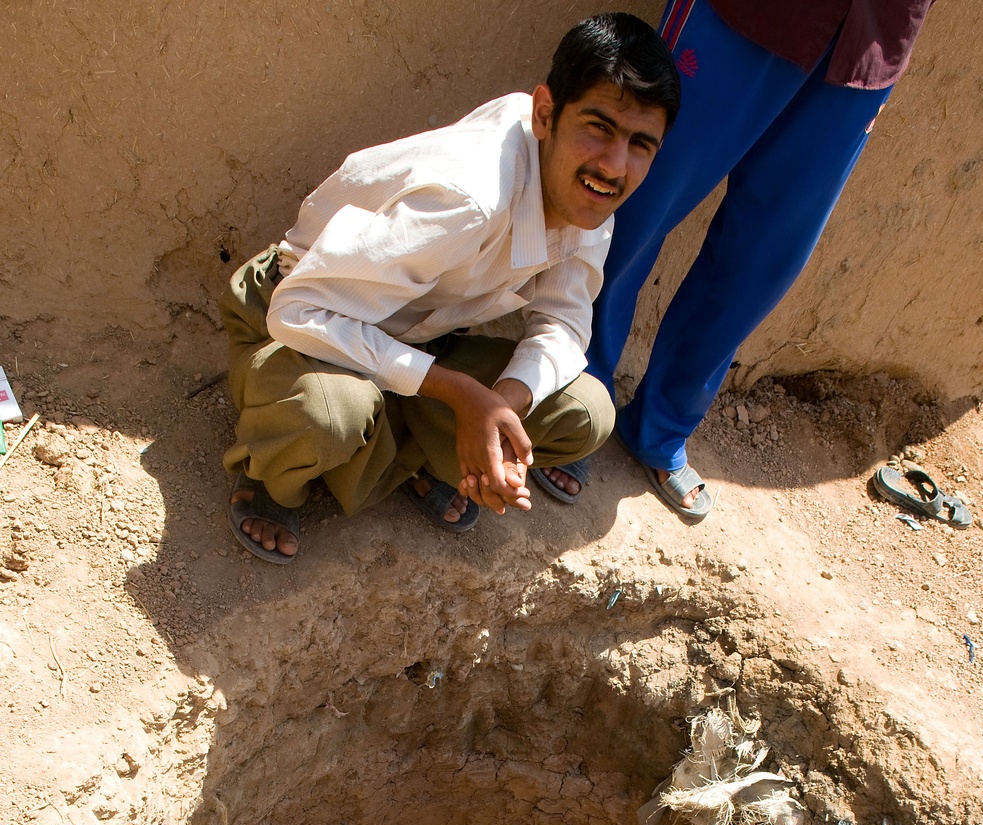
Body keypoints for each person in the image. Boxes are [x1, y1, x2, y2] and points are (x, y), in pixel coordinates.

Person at [220, 13, 681, 563]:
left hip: (419, 333)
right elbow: (299, 308)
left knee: (587, 411)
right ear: (545, 113)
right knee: (328, 412)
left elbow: (564, 324)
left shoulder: (589, 193)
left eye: (640, 145)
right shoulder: (470, 198)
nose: (614, 164)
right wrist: (460, 393)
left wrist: (498, 410)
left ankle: (406, 455)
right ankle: (274, 478)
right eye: (598, 127)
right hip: (306, 317)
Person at [551, 0, 935, 520]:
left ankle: (661, 427)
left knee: (766, 255)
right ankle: (576, 401)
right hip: (747, 13)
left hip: (873, 31)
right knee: (640, 198)